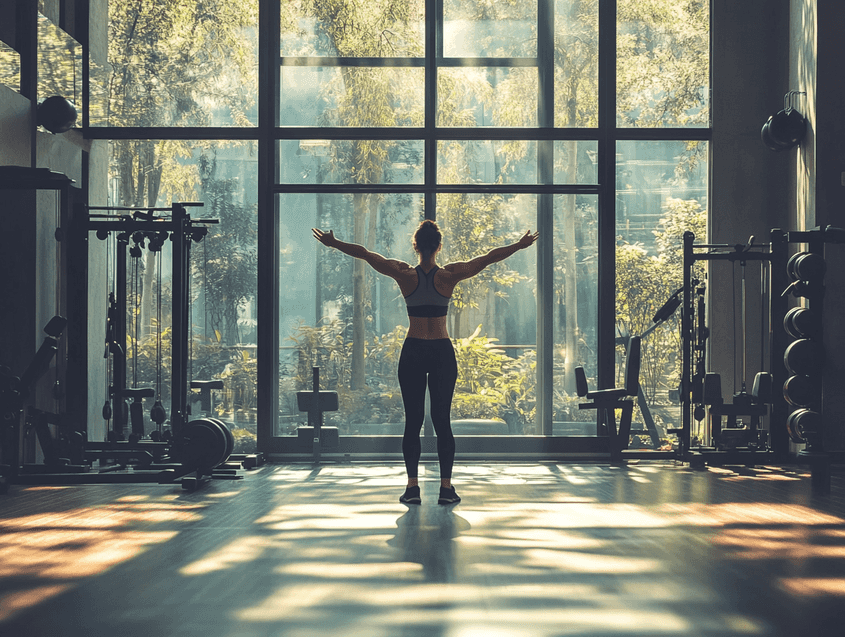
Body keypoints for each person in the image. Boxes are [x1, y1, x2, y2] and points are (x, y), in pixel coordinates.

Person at [312, 220, 539, 505]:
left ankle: (412, 488)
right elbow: (489, 258)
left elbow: (367, 254)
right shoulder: (450, 275)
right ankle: (446, 488)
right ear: (439, 246)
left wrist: (335, 243)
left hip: (414, 352)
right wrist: (519, 245)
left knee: (413, 422)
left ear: (415, 245)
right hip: (441, 352)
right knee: (443, 422)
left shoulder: (404, 274)